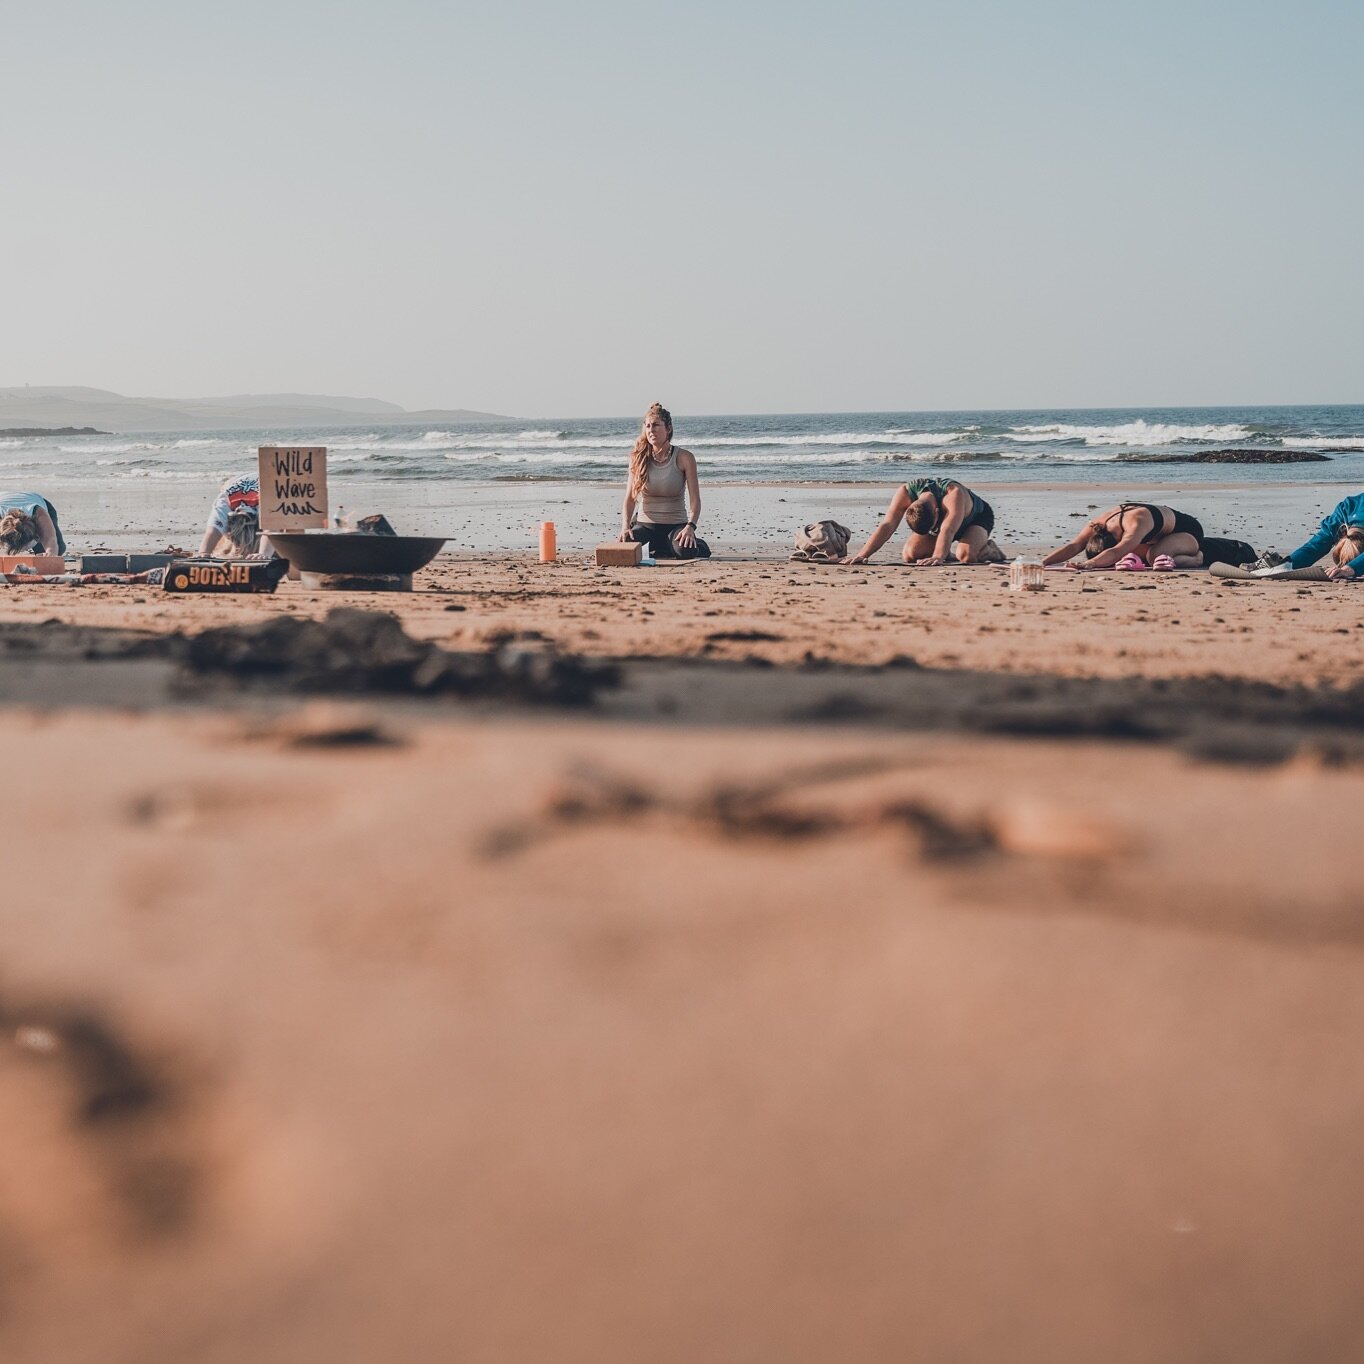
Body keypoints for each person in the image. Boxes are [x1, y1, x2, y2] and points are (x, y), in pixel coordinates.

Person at [619, 402, 710, 560]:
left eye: (655, 425)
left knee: (685, 552)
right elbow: (630, 498)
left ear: (668, 429)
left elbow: (695, 499)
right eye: (647, 426)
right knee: (625, 544)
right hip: (646, 525)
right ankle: (662, 548)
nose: (651, 430)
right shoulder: (637, 458)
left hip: (675, 526)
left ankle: (692, 543)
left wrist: (690, 527)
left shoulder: (685, 458)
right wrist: (625, 526)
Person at [844, 478, 1002, 565]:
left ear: (937, 512)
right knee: (911, 555)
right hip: (943, 527)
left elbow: (948, 529)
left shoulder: (952, 493)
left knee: (966, 556)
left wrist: (938, 557)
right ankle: (946, 552)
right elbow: (887, 525)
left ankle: (990, 550)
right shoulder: (905, 493)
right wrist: (862, 555)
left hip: (975, 519)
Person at [1043, 501, 1204, 570]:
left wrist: (1090, 564)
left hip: (1188, 533)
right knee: (1136, 557)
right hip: (1160, 535)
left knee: (1154, 558)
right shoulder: (1097, 524)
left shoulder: (1135, 524)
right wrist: (1041, 562)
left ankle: (1197, 558)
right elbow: (1074, 545)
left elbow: (1116, 552)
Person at [1280, 493, 1364, 581]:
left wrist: (1351, 568)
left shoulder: (1350, 507)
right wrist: (1288, 564)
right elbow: (1318, 544)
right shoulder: (1349, 508)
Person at [198, 474, 272, 558]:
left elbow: (270, 529)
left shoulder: (266, 504)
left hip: (267, 483)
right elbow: (212, 531)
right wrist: (203, 553)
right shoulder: (224, 503)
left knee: (282, 520)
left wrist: (264, 553)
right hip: (236, 481)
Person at [0, 492, 66, 556]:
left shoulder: (40, 514)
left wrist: (50, 554)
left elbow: (50, 540)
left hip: (34, 500)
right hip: (3, 499)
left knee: (59, 549)